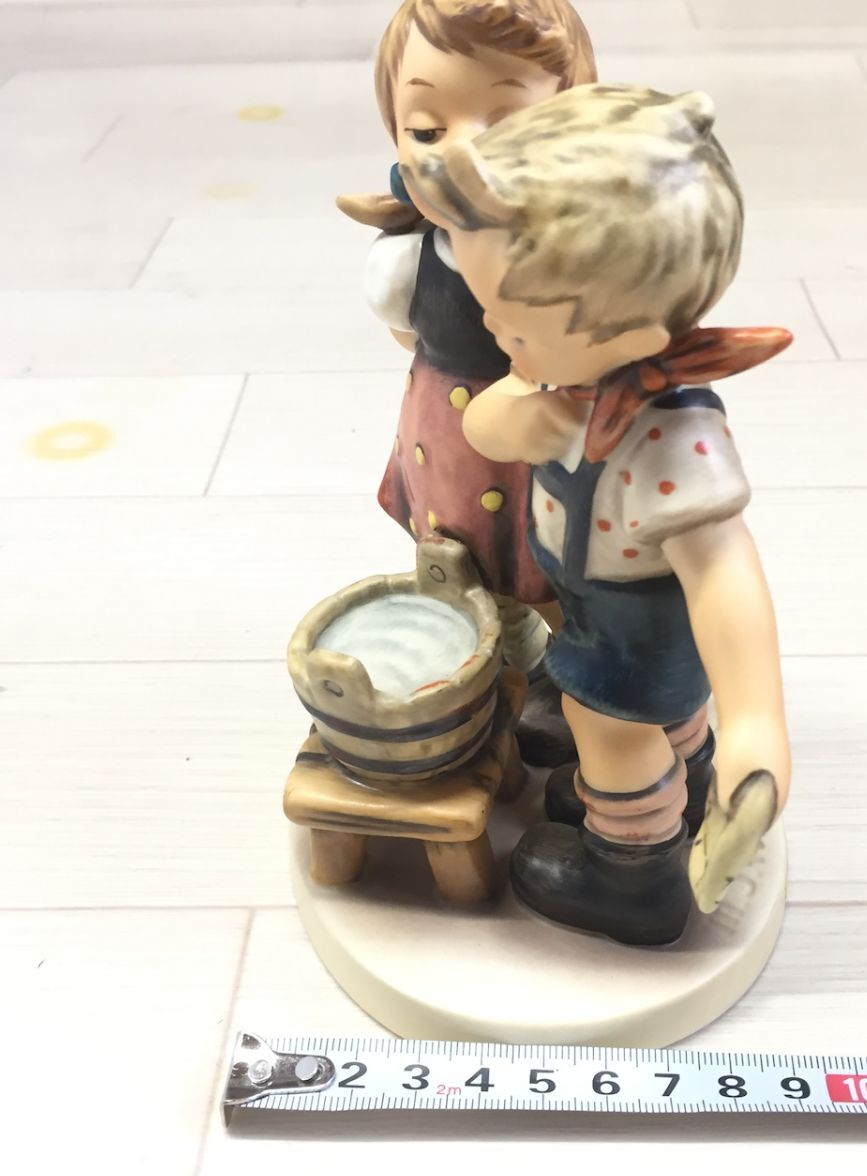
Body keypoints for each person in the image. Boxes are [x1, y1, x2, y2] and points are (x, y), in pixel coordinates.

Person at [403, 83, 793, 945]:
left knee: (608, 729)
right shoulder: (564, 371)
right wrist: (523, 412)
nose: (499, 339)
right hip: (589, 602)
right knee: (662, 721)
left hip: (638, 624)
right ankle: (683, 779)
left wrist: (758, 718)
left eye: (514, 328)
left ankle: (631, 871)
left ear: (632, 331)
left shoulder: (677, 445)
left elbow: (724, 574)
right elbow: (487, 421)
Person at [336, 0, 597, 766]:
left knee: (555, 569)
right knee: (462, 566)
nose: (459, 153)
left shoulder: (578, 256)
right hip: (446, 440)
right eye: (426, 129)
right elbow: (408, 333)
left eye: (507, 124)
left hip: (543, 438)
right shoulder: (406, 262)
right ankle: (500, 662)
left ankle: (577, 684)